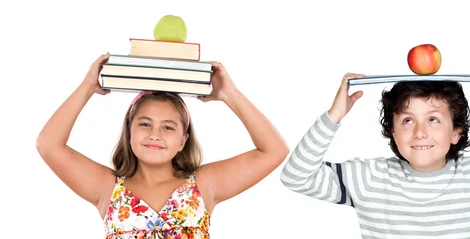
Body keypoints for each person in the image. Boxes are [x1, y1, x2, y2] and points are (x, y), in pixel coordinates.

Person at [280, 70, 470, 238]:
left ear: (456, 132)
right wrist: (334, 116)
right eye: (407, 120)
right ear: (393, 132)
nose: (420, 132)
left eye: (433, 119)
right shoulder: (367, 178)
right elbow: (296, 176)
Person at [36, 53, 289, 239]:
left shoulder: (203, 185)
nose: (155, 134)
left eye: (168, 127)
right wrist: (86, 87)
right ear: (129, 131)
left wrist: (229, 94)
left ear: (183, 140)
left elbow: (274, 150)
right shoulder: (107, 188)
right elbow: (48, 145)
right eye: (145, 124)